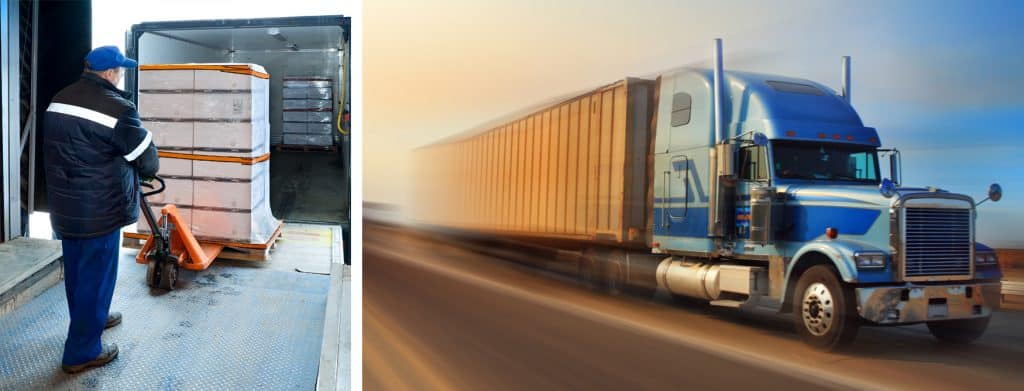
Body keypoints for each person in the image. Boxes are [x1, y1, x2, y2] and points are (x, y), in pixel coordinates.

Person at [42, 45, 159, 374]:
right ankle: (82, 351)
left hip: (65, 206)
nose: (121, 75)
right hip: (99, 209)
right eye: (120, 70)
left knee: (78, 273)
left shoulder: (60, 97)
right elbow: (147, 159)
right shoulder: (117, 108)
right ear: (109, 73)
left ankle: (90, 319)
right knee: (97, 275)